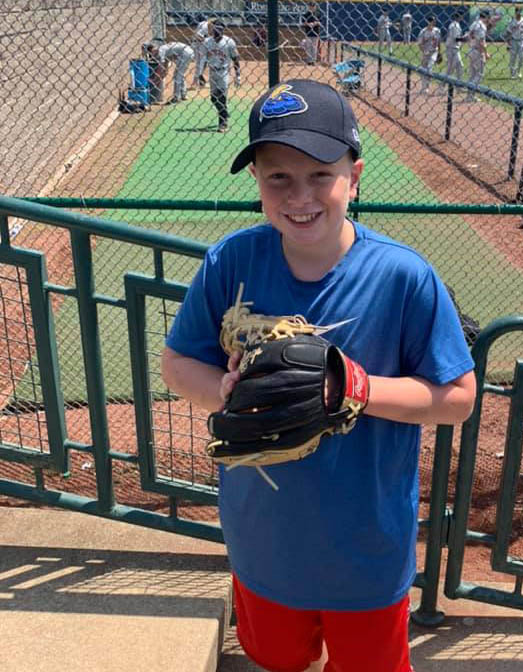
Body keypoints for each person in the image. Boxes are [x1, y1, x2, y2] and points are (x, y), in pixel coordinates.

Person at [161, 78, 476, 672]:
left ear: (354, 175)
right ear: (256, 181)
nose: (299, 195)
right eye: (278, 175)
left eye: (319, 174)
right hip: (264, 540)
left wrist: (356, 388)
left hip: (366, 548)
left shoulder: (403, 277)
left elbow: (457, 398)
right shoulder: (232, 261)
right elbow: (178, 363)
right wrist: (222, 392)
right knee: (276, 659)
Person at [204, 20, 240, 132]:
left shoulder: (229, 42)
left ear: (223, 29)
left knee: (222, 96)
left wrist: (238, 75)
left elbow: (235, 58)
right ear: (212, 29)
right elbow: (204, 59)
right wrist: (200, 73)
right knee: (213, 98)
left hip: (223, 71)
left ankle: (223, 122)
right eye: (215, 28)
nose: (217, 30)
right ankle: (225, 112)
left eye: (220, 28)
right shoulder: (207, 42)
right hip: (212, 71)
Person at [465, 10, 491, 101]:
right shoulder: (482, 26)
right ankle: (471, 95)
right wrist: (485, 53)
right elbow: (481, 42)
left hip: (471, 49)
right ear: (486, 17)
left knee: (472, 74)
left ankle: (469, 96)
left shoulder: (474, 24)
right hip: (477, 51)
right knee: (479, 74)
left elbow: (468, 37)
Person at [417, 15, 442, 93]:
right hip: (425, 53)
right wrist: (423, 51)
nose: (433, 23)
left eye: (434, 21)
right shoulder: (423, 31)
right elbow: (420, 44)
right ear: (428, 22)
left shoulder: (437, 31)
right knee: (423, 69)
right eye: (431, 21)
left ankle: (427, 87)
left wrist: (439, 53)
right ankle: (423, 87)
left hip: (434, 52)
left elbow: (439, 42)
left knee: (429, 68)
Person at [504, 6, 523, 79]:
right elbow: (508, 32)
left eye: (520, 11)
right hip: (513, 41)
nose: (519, 13)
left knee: (522, 57)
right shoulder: (511, 21)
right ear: (515, 12)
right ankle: (512, 73)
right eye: (518, 11)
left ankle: (519, 71)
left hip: (522, 41)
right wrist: (508, 44)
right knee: (513, 58)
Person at [445, 12, 466, 80]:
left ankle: (458, 85)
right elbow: (456, 39)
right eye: (462, 16)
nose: (462, 17)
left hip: (453, 48)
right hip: (452, 49)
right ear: (459, 17)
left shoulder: (455, 24)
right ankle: (442, 84)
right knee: (452, 68)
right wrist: (465, 38)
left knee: (459, 66)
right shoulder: (455, 25)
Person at [191, 14, 209, 88]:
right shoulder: (205, 24)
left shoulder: (200, 24)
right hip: (199, 46)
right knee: (200, 65)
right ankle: (195, 83)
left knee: (203, 64)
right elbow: (197, 35)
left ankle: (201, 82)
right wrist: (206, 41)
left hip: (198, 45)